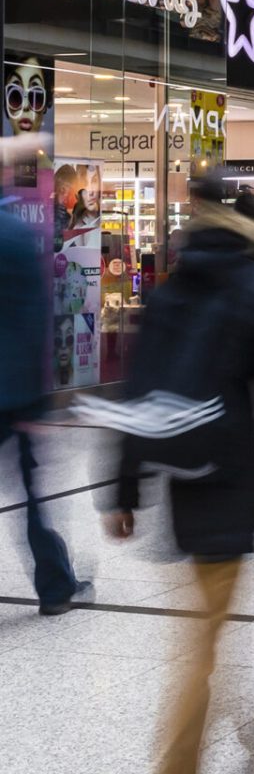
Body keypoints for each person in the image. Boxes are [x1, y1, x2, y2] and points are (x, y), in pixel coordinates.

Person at [100, 174, 254, 774]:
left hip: (183, 474)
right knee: (206, 630)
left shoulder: (168, 292)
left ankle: (247, 711)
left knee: (211, 616)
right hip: (233, 475)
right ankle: (177, 761)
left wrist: (124, 490)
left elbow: (139, 392)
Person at [0, 209, 90, 615]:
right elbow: (32, 318)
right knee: (32, 493)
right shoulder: (14, 232)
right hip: (12, 392)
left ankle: (58, 583)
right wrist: (36, 400)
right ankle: (55, 588)